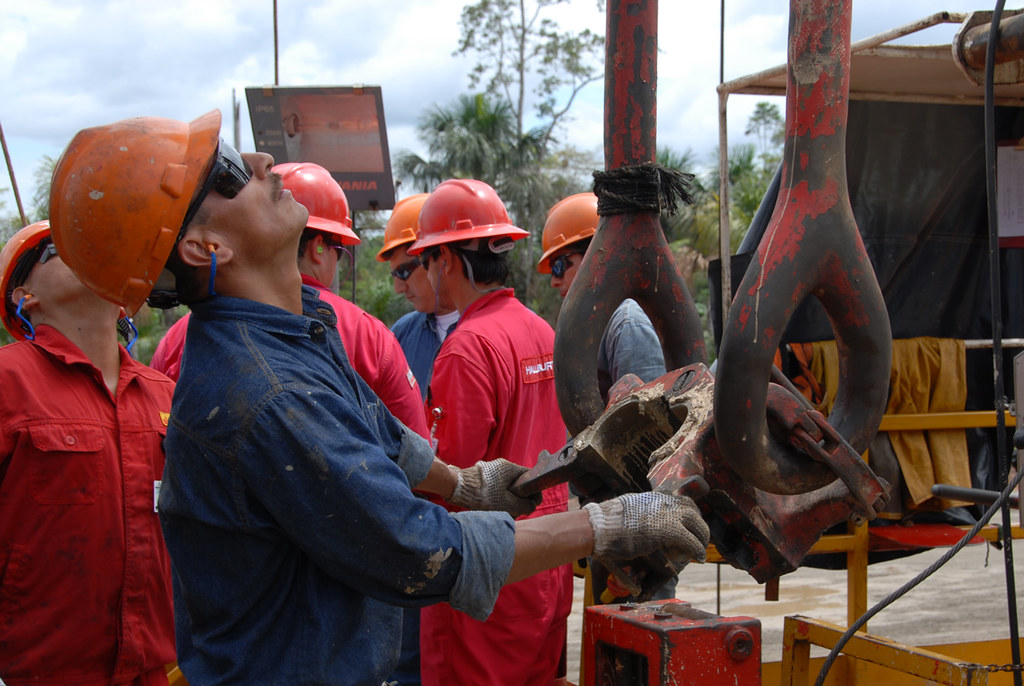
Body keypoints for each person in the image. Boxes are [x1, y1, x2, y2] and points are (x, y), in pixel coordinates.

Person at [48, 111, 710, 685]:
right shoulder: (264, 394)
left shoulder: (299, 326)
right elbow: (417, 550)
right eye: (227, 173)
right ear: (203, 245)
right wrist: (609, 526)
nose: (260, 159)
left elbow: (373, 427)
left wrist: (467, 482)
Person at [406, 178, 570, 685]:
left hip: (488, 578)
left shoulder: (467, 348)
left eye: (424, 260)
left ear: (447, 261)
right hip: (548, 560)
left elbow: (450, 479)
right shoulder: (541, 330)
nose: (423, 272)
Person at [0, 221, 176, 685]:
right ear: (25, 298)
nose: (86, 254)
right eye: (59, 250)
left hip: (157, 668)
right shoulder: (7, 382)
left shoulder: (168, 398)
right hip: (40, 671)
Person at [150, 162, 428, 440]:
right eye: (339, 251)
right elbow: (419, 460)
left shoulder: (179, 336)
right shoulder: (369, 336)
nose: (261, 161)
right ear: (319, 248)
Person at [539, 191, 674, 606]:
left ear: (598, 257)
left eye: (562, 264)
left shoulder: (625, 323)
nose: (556, 279)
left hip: (636, 517)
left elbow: (647, 438)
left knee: (640, 631)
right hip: (607, 512)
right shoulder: (588, 327)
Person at [376, 193, 459, 398]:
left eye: (403, 272)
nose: (398, 288)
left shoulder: (494, 333)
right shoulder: (402, 334)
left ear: (440, 256)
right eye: (394, 274)